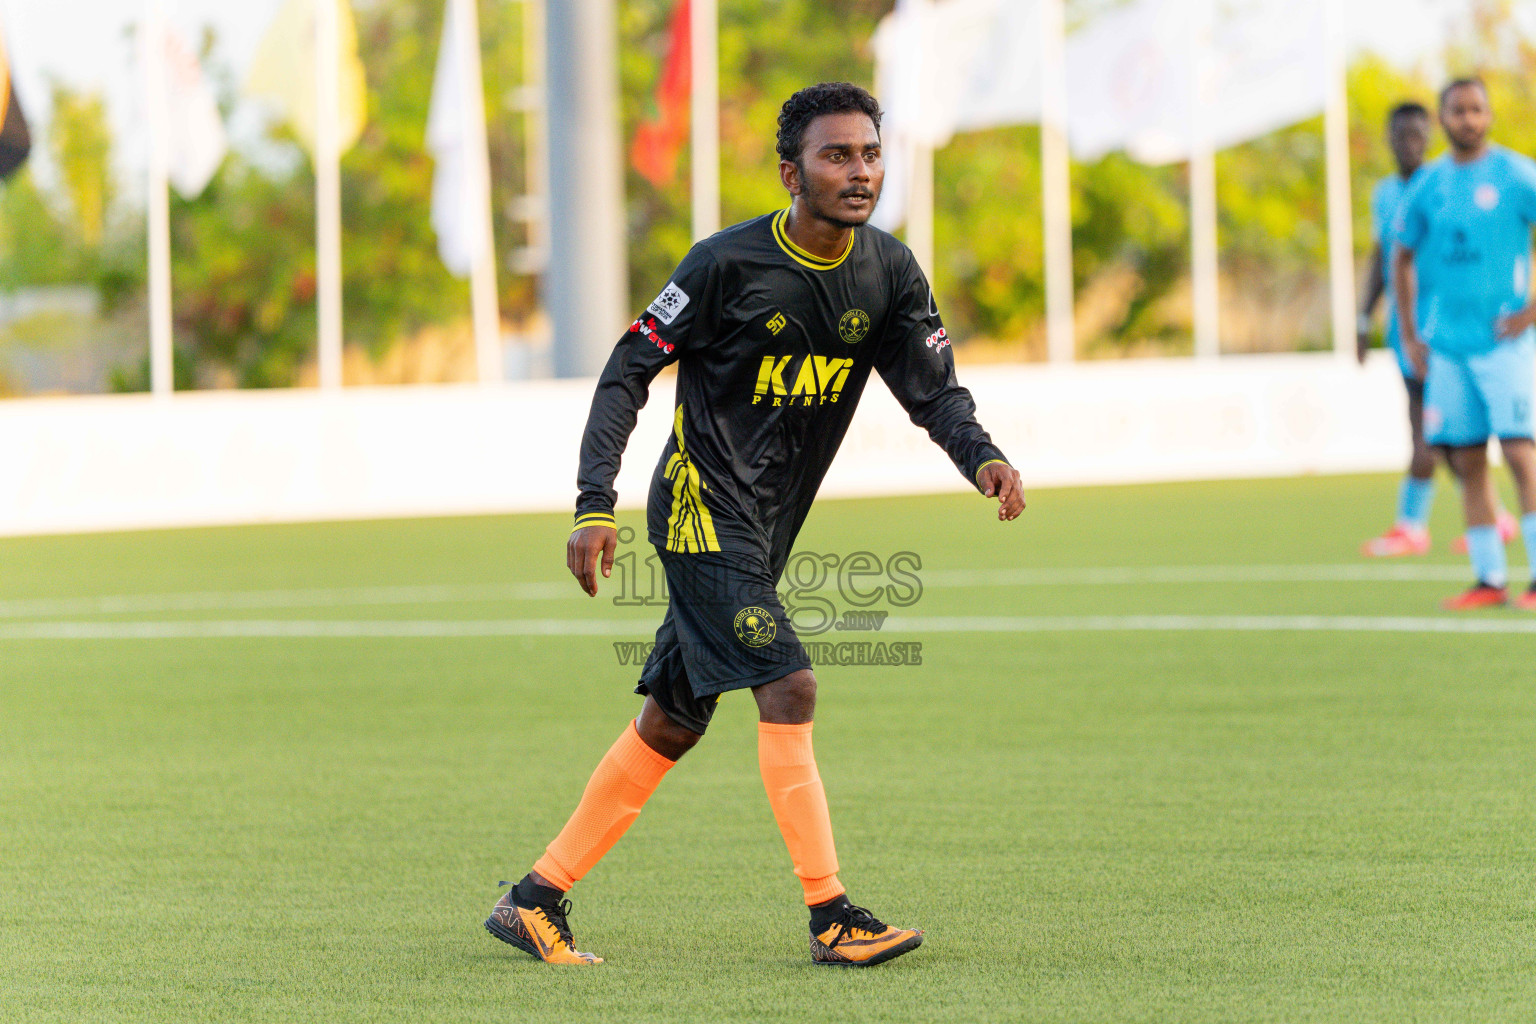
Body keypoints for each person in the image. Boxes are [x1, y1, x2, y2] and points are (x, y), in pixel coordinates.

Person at [484, 82, 1025, 967]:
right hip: (699, 513)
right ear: (790, 171)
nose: (859, 172)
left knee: (674, 719)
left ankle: (535, 897)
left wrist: (984, 458)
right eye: (836, 155)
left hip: (766, 529)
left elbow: (935, 391)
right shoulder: (722, 267)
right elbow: (626, 371)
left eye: (870, 154)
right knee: (792, 684)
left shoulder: (886, 273)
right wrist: (594, 502)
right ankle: (832, 916)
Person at [1393, 77, 1536, 610]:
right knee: (1468, 460)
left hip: (1506, 344)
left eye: (1477, 109)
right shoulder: (1428, 184)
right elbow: (1400, 254)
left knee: (1522, 455)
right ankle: (1489, 579)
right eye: (1458, 110)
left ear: (1490, 115)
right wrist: (1408, 333)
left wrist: (1533, 310)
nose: (1468, 119)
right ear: (1443, 117)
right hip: (1448, 348)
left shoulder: (1517, 174)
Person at [1359, 102, 1515, 557]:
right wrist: (1363, 317)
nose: (1409, 142)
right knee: (1431, 432)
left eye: (1417, 134)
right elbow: (1383, 258)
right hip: (1404, 330)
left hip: (1441, 331)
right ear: (1389, 137)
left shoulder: (1442, 186)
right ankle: (1481, 518)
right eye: (1400, 134)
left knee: (1442, 433)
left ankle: (1426, 524)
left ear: (1429, 136)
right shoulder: (1386, 193)